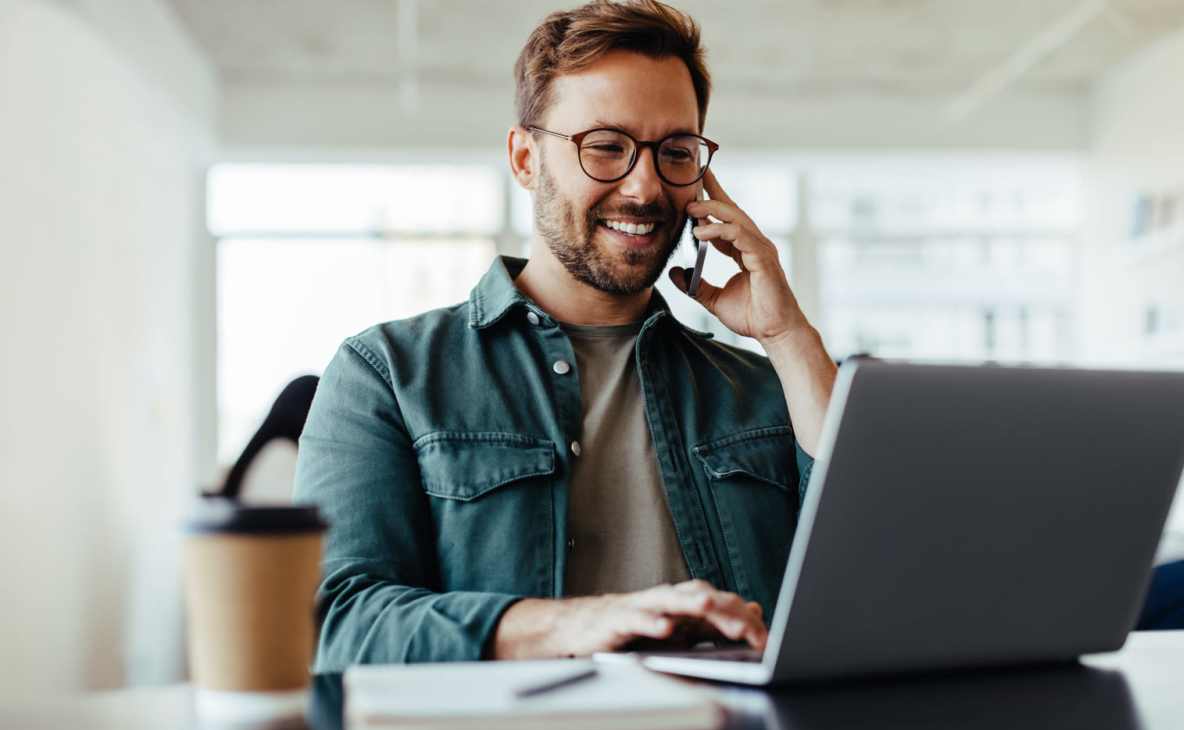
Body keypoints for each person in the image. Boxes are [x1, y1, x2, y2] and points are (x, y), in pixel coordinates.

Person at [294, 0, 837, 669]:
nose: (645, 187)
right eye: (606, 146)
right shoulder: (387, 374)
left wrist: (787, 336)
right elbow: (334, 622)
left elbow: (874, 581)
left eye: (675, 152)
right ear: (525, 158)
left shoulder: (762, 389)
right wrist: (577, 624)